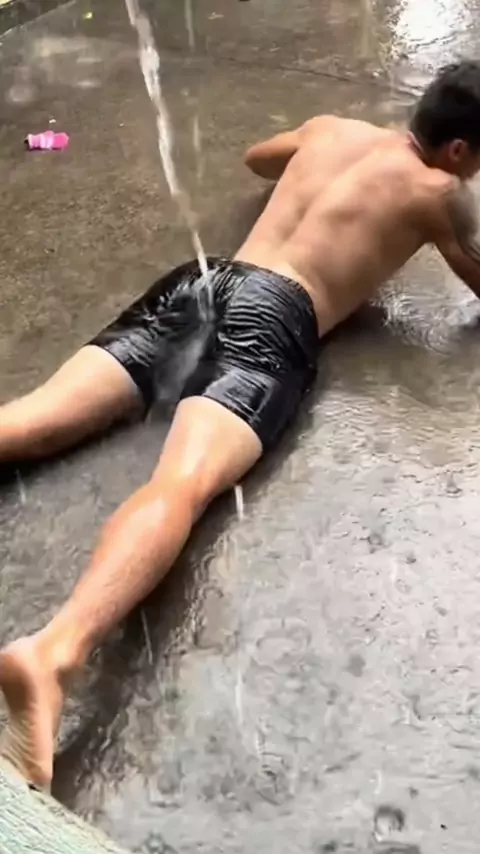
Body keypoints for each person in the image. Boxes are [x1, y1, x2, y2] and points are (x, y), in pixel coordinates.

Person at [3, 60, 480, 790]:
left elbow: (259, 157)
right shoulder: (439, 192)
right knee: (182, 484)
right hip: (275, 318)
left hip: (203, 280)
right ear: (458, 149)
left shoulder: (332, 130)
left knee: (31, 419)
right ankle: (52, 655)